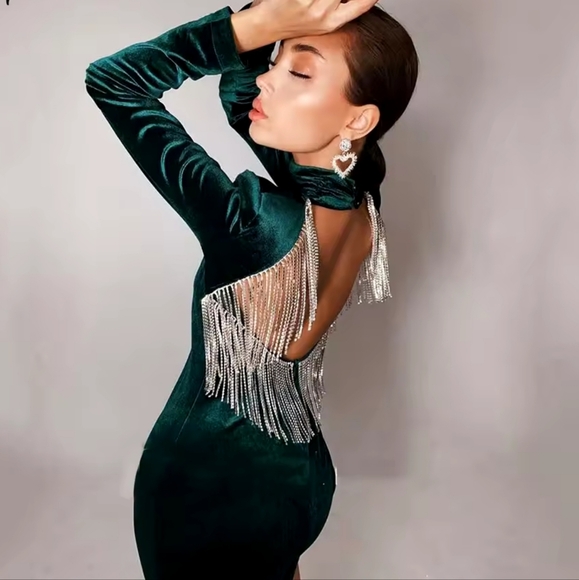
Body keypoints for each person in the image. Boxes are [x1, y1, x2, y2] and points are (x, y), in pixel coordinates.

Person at [85, 0, 418, 578]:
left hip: (205, 487)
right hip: (300, 475)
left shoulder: (255, 225)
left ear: (359, 119)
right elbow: (245, 98)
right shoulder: (361, 200)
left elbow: (114, 80)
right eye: (275, 60)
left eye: (300, 71)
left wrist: (254, 26)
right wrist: (284, 20)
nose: (267, 78)